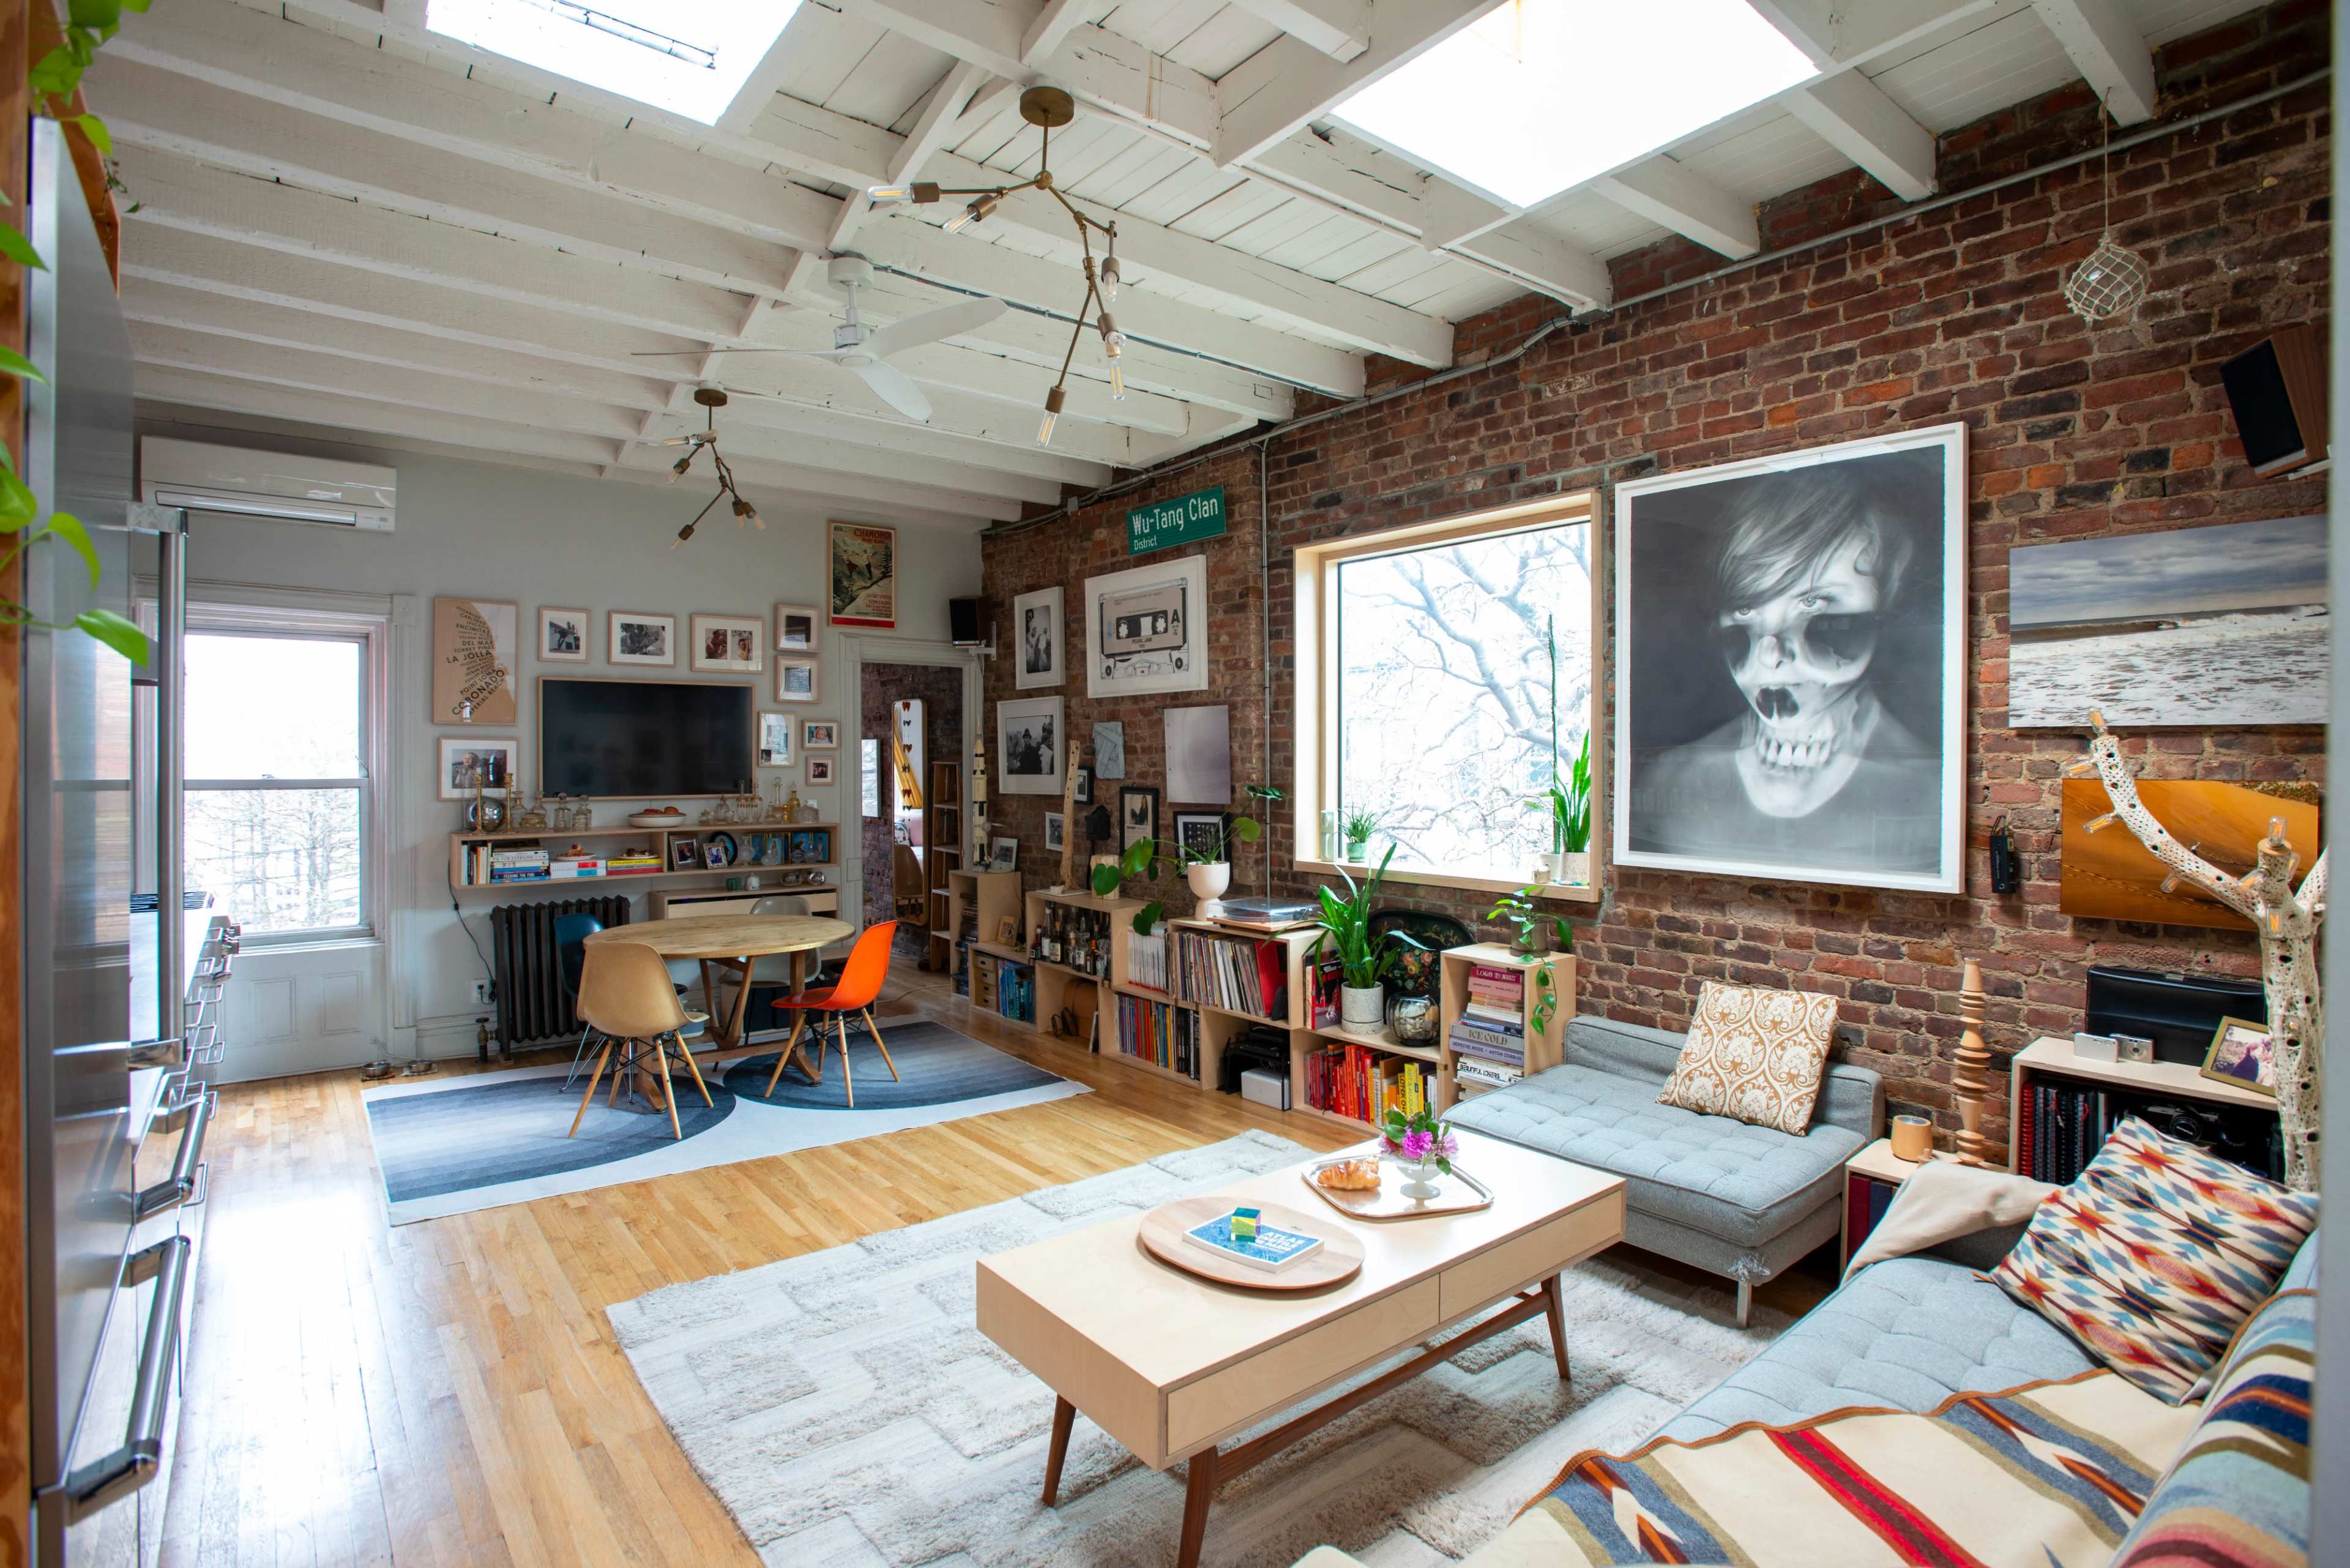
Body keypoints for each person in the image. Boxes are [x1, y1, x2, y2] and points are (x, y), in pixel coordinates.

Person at [1632, 470, 1939, 875]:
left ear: (1887, 613)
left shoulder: (1933, 796)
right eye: (1745, 612)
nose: (1768, 655)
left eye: (1815, 607)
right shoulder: (1670, 783)